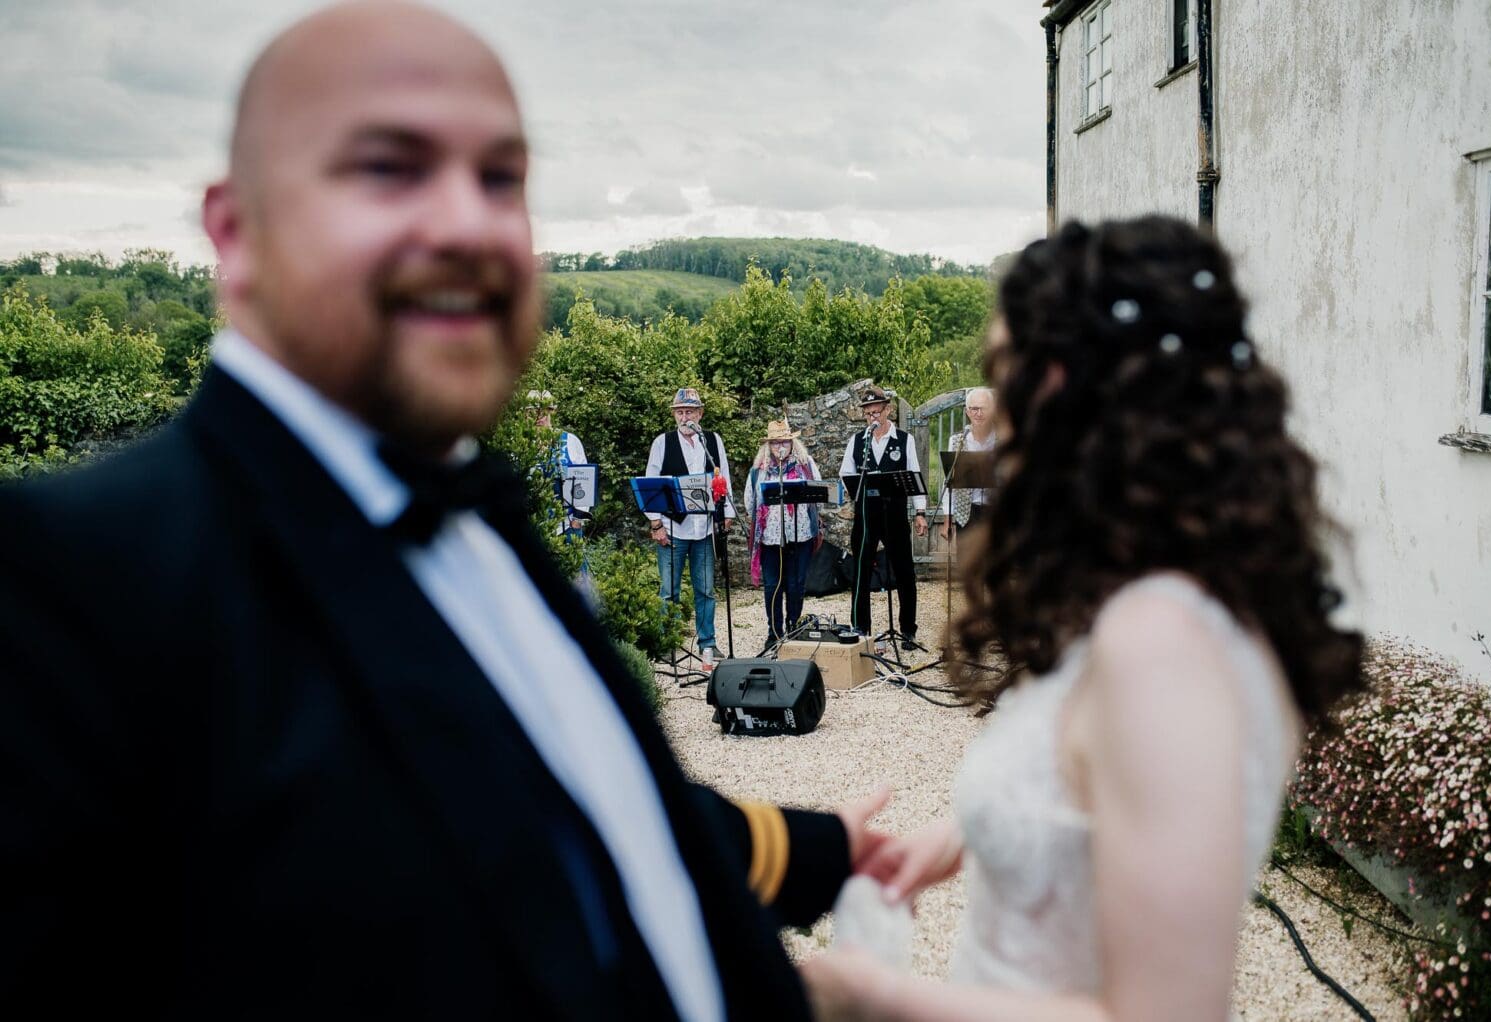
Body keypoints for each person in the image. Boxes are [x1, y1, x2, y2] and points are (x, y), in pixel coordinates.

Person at [0, 5, 884, 1018]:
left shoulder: (482, 517)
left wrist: (828, 853)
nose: (468, 222)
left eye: (501, 177)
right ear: (234, 231)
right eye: (390, 167)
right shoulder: (55, 587)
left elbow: (570, 797)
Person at [800, 217, 1365, 1021]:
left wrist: (872, 995)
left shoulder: (1163, 642)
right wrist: (960, 835)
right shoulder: (1145, 591)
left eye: (1006, 373)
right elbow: (1091, 788)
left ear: (1063, 390)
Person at [644, 387, 735, 666]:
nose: (685, 417)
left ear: (700, 413)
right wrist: (656, 523)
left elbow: (724, 476)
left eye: (690, 411)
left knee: (706, 588)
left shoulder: (713, 440)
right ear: (674, 415)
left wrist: (727, 511)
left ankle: (708, 643)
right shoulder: (663, 442)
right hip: (673, 527)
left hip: (704, 527)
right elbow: (650, 485)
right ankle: (666, 643)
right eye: (680, 412)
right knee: (669, 590)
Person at [839, 387, 927, 650]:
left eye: (877, 411)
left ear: (888, 410)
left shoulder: (904, 439)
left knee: (903, 571)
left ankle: (908, 630)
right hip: (867, 515)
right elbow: (846, 474)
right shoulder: (857, 440)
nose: (872, 417)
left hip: (895, 513)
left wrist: (920, 512)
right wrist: (851, 486)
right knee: (861, 571)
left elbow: (914, 474)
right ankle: (860, 627)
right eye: (868, 413)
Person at [744, 420, 823, 642]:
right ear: (768, 446)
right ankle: (774, 632)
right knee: (773, 585)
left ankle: (794, 627)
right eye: (775, 442)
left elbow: (818, 495)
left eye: (785, 442)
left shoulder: (805, 464)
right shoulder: (758, 471)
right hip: (770, 538)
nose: (781, 446)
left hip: (800, 535)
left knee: (796, 583)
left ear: (792, 443)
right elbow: (750, 502)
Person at [936, 387, 995, 542]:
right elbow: (949, 483)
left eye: (984, 408)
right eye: (974, 409)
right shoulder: (957, 441)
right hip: (966, 514)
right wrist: (947, 520)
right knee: (966, 563)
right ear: (967, 412)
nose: (979, 413)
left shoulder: (1002, 440)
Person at [527, 389, 587, 535]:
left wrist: (578, 520)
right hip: (531, 525)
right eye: (533, 412)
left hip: (567, 524)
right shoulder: (519, 445)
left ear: (551, 411)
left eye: (543, 412)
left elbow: (585, 480)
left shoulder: (570, 441)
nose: (539, 417)